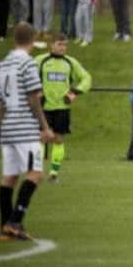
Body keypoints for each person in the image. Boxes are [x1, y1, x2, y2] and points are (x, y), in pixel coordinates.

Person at [0, 22, 54, 240]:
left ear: (14, 39)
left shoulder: (2, 64)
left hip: (8, 127)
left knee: (8, 177)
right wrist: (45, 127)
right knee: (35, 173)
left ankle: (5, 226)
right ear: (32, 39)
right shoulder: (28, 63)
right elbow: (33, 96)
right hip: (25, 127)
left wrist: (4, 126)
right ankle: (15, 221)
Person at [35, 33, 92, 182]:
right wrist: (36, 92)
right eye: (59, 44)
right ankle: (37, 172)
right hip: (43, 108)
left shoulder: (70, 62)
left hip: (62, 108)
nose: (63, 47)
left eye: (65, 45)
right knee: (41, 138)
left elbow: (87, 78)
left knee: (58, 140)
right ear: (51, 45)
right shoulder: (40, 61)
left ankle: (54, 174)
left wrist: (74, 92)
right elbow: (27, 77)